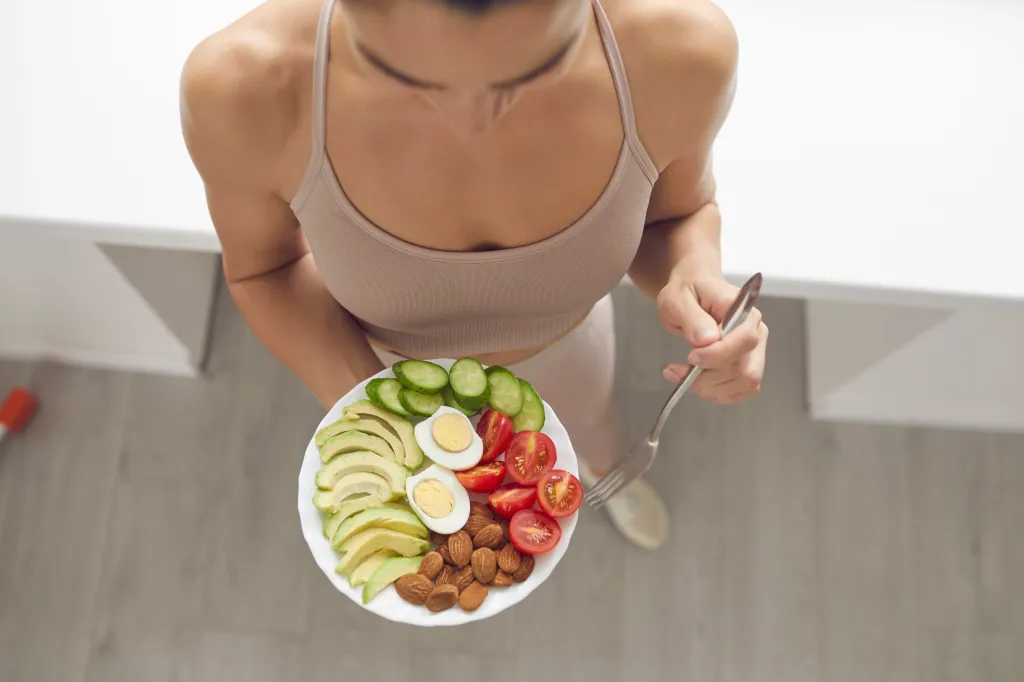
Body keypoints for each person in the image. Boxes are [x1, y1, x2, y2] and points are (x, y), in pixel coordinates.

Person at [180, 0, 768, 550]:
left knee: (591, 430)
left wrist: (693, 271)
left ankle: (597, 471)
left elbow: (674, 212)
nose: (473, 120)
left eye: (531, 74)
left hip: (570, 351)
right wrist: (376, 408)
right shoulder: (243, 88)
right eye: (406, 79)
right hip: (379, 367)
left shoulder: (679, 51)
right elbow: (267, 271)